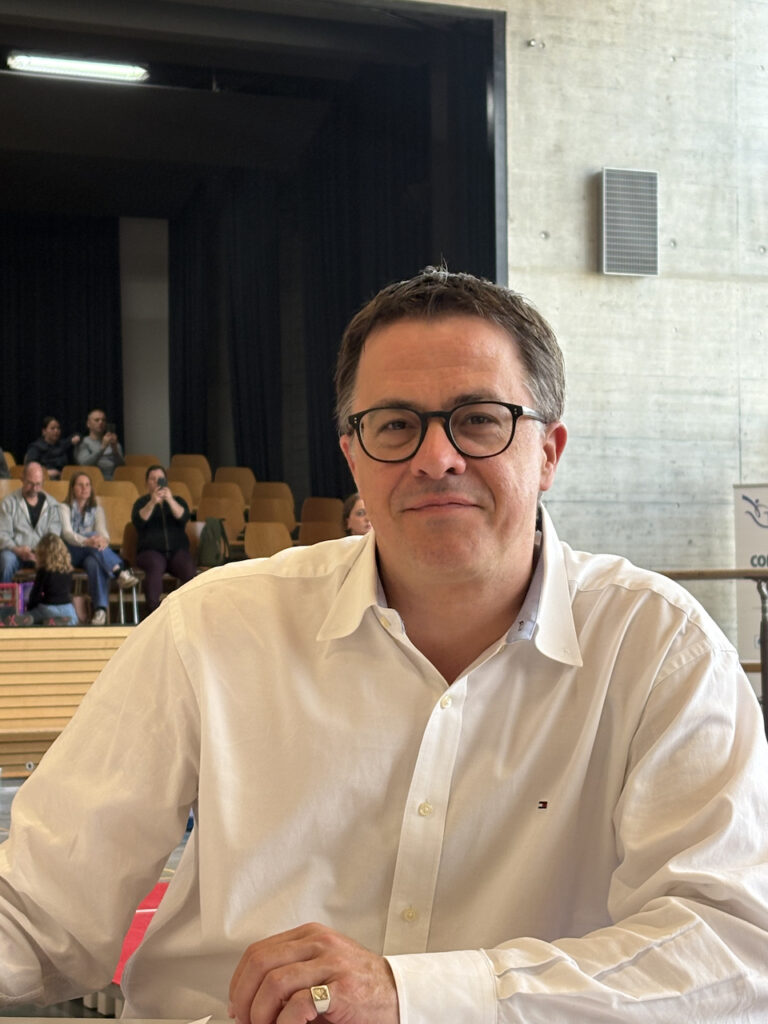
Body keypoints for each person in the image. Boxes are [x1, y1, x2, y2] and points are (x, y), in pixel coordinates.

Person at [1, 268, 767, 1022]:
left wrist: (414, 997)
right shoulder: (209, 629)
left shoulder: (660, 650)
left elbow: (731, 950)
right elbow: (39, 909)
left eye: (480, 419)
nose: (436, 458)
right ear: (353, 457)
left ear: (549, 453)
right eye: (396, 425)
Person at [60, 472, 138, 626]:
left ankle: (100, 611)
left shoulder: (97, 510)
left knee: (93, 563)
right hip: (70, 553)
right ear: (72, 488)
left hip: (92, 553)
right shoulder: (64, 508)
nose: (84, 488)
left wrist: (101, 541)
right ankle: (119, 570)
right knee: (93, 535)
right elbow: (67, 534)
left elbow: (103, 533)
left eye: (87, 485)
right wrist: (88, 540)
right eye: (80, 485)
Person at [131, 464, 197, 613]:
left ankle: (189, 612)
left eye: (160, 479)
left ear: (166, 481)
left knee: (188, 569)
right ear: (147, 483)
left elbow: (183, 517)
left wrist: (170, 500)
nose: (156, 482)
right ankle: (153, 613)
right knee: (154, 567)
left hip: (177, 551)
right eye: (153, 479)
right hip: (150, 551)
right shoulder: (141, 503)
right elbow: (139, 521)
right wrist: (152, 502)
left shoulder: (177, 500)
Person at [0, 461, 62, 582]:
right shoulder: (8, 503)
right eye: (30, 483)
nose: (34, 488)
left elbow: (53, 536)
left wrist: (41, 553)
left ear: (43, 482)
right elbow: (2, 534)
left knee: (56, 561)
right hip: (15, 552)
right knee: (6, 561)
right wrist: (17, 549)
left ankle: (49, 595)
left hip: (41, 553)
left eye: (38, 484)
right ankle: (5, 594)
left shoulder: (52, 505)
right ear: (22, 479)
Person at [26, 532, 78, 626]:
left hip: (48, 608)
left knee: (30, 617)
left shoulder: (44, 571)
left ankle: (45, 620)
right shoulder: (69, 570)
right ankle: (62, 622)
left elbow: (35, 594)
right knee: (73, 620)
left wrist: (30, 608)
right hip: (67, 608)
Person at [74, 408, 126, 481]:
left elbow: (122, 467)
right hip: (92, 481)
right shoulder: (83, 442)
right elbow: (84, 464)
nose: (101, 422)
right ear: (88, 424)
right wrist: (102, 448)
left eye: (103, 420)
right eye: (97, 420)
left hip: (114, 481)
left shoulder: (113, 442)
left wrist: (115, 451)